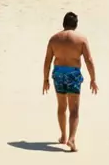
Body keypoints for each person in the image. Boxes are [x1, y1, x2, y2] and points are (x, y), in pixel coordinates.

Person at [41, 11, 98, 151]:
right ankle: (72, 139)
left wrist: (45, 79)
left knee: (61, 107)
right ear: (76, 25)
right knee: (74, 109)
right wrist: (93, 79)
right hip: (73, 74)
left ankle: (63, 136)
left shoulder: (54, 39)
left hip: (59, 74)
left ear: (63, 23)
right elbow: (88, 60)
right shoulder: (81, 39)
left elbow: (47, 61)